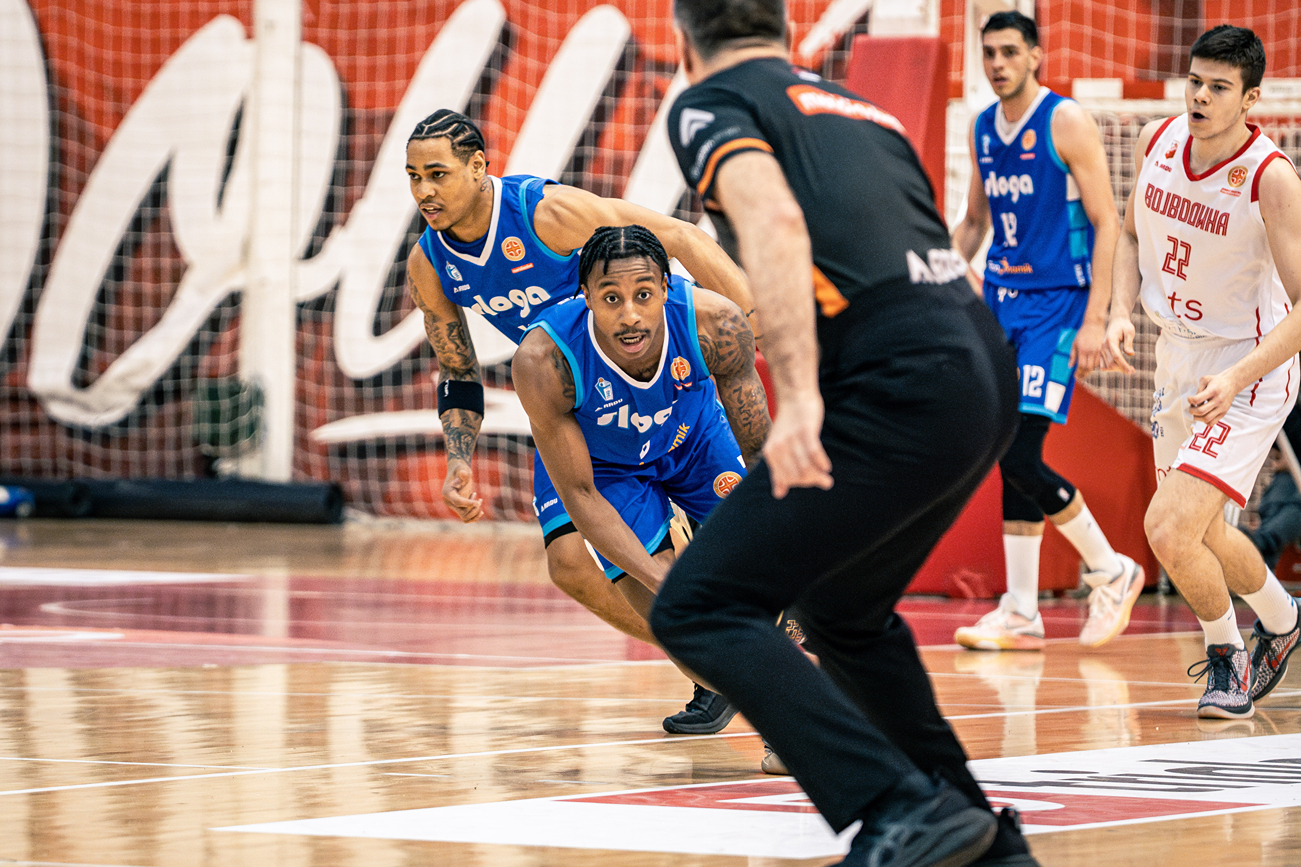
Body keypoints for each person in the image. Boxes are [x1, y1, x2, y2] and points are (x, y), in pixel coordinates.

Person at [650, 2, 1036, 865]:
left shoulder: (712, 101)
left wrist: (795, 398)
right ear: (788, 31)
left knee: (697, 603)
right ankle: (976, 837)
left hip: (900, 374)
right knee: (841, 610)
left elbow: (774, 224)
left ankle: (893, 803)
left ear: (683, 44)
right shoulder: (860, 108)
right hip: (978, 362)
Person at [405, 109, 754, 732]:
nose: (424, 191)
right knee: (571, 565)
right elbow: (456, 368)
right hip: (574, 400)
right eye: (413, 177)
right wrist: (459, 458)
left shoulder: (547, 213)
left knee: (746, 539)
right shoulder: (429, 264)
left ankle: (774, 665)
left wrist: (754, 322)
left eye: (438, 173)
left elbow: (679, 237)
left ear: (479, 168)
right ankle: (710, 663)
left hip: (656, 377)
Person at [1104, 25, 1301, 720]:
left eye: (1219, 87)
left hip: (1249, 368)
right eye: (1194, 82)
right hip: (1179, 358)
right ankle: (1282, 618)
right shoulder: (1154, 141)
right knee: (1203, 530)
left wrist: (1237, 376)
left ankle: (1228, 656)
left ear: (1250, 99)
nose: (1200, 97)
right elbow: (1130, 233)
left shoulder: (1270, 179)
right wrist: (1119, 310)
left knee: (1166, 528)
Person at [512, 225, 770, 722]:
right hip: (608, 467)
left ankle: (802, 687)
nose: (629, 315)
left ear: (667, 290)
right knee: (672, 619)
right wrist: (664, 584)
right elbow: (581, 493)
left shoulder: (715, 324)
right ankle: (754, 699)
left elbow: (761, 453)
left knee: (771, 566)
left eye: (644, 295)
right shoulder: (544, 361)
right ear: (585, 296)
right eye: (611, 298)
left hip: (693, 439)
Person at [951, 10, 1144, 653]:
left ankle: (1111, 569)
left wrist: (1097, 318)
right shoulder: (983, 127)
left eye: (1010, 51)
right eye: (989, 53)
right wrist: (937, 277)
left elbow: (1107, 220)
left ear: (1036, 55)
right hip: (1000, 304)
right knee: (1008, 451)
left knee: (1019, 451)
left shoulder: (1065, 120)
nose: (997, 63)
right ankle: (1020, 610)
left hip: (1058, 307)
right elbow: (974, 222)